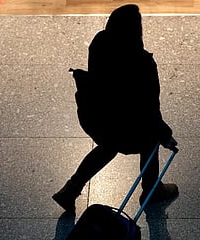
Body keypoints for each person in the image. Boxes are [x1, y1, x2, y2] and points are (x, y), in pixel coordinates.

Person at [52, 4, 179, 213]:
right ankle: (151, 189)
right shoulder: (144, 62)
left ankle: (71, 189)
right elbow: (149, 109)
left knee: (108, 146)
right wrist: (165, 135)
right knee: (151, 136)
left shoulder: (99, 43)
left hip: (97, 116)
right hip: (125, 126)